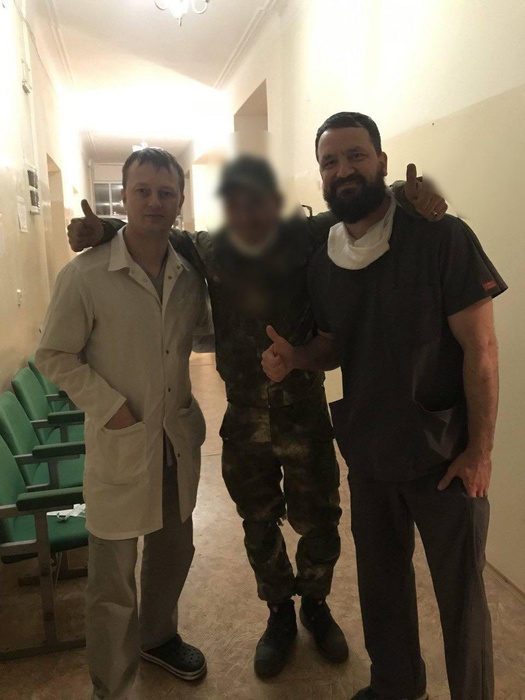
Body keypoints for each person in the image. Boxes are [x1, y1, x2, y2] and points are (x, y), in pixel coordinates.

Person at [67, 153, 446, 679]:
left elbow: (363, 207)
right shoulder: (209, 248)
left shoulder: (309, 235)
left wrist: (410, 193)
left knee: (320, 520)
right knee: (258, 522)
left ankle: (315, 604)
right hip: (245, 420)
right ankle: (279, 613)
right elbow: (153, 228)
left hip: (304, 412)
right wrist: (103, 226)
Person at [262, 112, 506, 700]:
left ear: (382, 162)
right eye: (330, 161)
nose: (343, 169)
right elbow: (335, 344)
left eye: (356, 155)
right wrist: (298, 357)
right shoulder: (324, 257)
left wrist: (479, 452)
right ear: (320, 175)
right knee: (382, 587)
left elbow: (482, 350)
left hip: (442, 453)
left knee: (461, 598)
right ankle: (395, 686)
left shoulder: (440, 237)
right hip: (370, 453)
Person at [36, 148, 213, 700]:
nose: (154, 202)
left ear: (180, 201)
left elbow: (204, 334)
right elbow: (54, 355)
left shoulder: (190, 276)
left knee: (173, 551)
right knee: (113, 578)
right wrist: (110, 407)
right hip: (121, 439)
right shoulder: (86, 274)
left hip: (175, 439)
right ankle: (111, 685)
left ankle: (158, 638)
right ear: (124, 197)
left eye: (166, 192)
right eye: (143, 191)